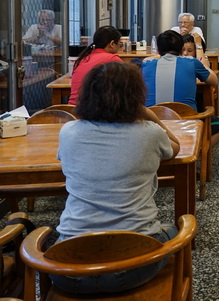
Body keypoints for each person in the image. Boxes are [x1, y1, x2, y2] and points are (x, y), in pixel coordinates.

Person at [53, 61, 181, 295]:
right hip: (134, 267)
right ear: (136, 95)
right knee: (174, 230)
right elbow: (174, 148)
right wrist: (149, 114)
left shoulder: (69, 132)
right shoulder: (149, 134)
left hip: (68, 270)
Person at [141, 30, 217, 111]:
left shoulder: (146, 65)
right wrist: (204, 64)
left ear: (158, 50)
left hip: (153, 120)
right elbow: (214, 81)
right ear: (181, 49)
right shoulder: (192, 62)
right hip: (188, 120)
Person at [68, 26, 123, 105]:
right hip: (90, 112)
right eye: (119, 44)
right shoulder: (113, 59)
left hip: (71, 110)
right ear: (111, 44)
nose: (119, 48)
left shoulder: (84, 58)